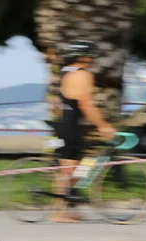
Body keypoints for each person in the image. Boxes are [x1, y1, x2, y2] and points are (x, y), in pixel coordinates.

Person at [52, 40, 116, 223]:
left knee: (77, 166)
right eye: (90, 55)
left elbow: (57, 103)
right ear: (82, 56)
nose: (92, 59)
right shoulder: (83, 75)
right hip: (71, 125)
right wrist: (103, 125)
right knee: (72, 169)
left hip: (66, 122)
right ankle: (58, 212)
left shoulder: (65, 72)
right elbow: (86, 104)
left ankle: (64, 207)